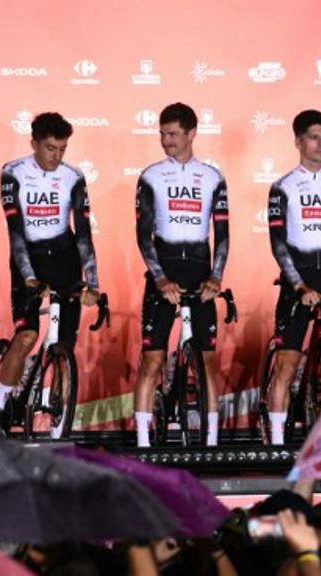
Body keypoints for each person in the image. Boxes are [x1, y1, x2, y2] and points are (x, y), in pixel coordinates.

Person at [0, 112, 99, 431]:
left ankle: (58, 424)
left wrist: (93, 282)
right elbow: (16, 231)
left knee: (64, 349)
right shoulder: (12, 172)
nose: (57, 156)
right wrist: (29, 277)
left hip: (64, 259)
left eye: (63, 149)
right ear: (33, 143)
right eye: (51, 148)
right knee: (27, 337)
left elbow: (84, 233)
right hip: (28, 259)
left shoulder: (74, 176)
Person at [133, 103, 229, 447]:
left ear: (191, 134)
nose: (165, 140)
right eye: (161, 133)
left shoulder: (213, 177)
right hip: (164, 272)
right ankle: (144, 444)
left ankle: (212, 444)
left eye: (172, 133)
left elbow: (223, 233)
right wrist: (159, 278)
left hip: (200, 272)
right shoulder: (151, 176)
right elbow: (144, 235)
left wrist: (216, 277)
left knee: (208, 363)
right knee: (152, 360)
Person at [265, 109, 321, 446]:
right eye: (315, 137)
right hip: (297, 281)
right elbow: (278, 243)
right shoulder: (282, 187)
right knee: (287, 364)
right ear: (298, 141)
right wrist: (298, 285)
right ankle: (276, 443)